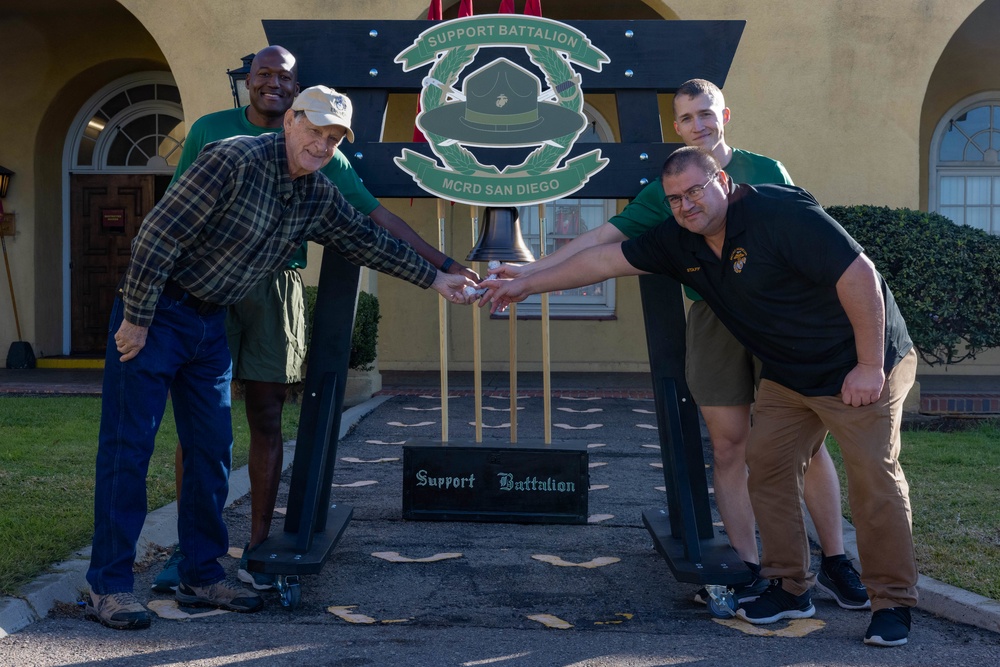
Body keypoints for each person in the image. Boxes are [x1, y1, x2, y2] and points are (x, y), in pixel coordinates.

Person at [481, 146, 918, 647]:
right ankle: (790, 586)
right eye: (675, 199)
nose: (687, 205)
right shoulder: (679, 242)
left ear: (723, 182)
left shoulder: (780, 211)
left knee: (874, 478)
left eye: (695, 190)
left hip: (860, 363)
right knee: (768, 466)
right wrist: (526, 283)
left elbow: (859, 274)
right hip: (789, 374)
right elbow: (602, 260)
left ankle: (893, 603)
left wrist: (867, 365)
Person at [85, 85, 477, 630]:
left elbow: (366, 241)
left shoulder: (314, 193)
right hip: (156, 315)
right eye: (314, 130)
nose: (321, 144)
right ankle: (109, 586)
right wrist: (137, 317)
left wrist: (436, 278)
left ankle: (202, 571)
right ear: (289, 121)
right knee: (129, 448)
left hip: (208, 323)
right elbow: (158, 233)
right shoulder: (234, 159)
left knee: (212, 451)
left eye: (333, 137)